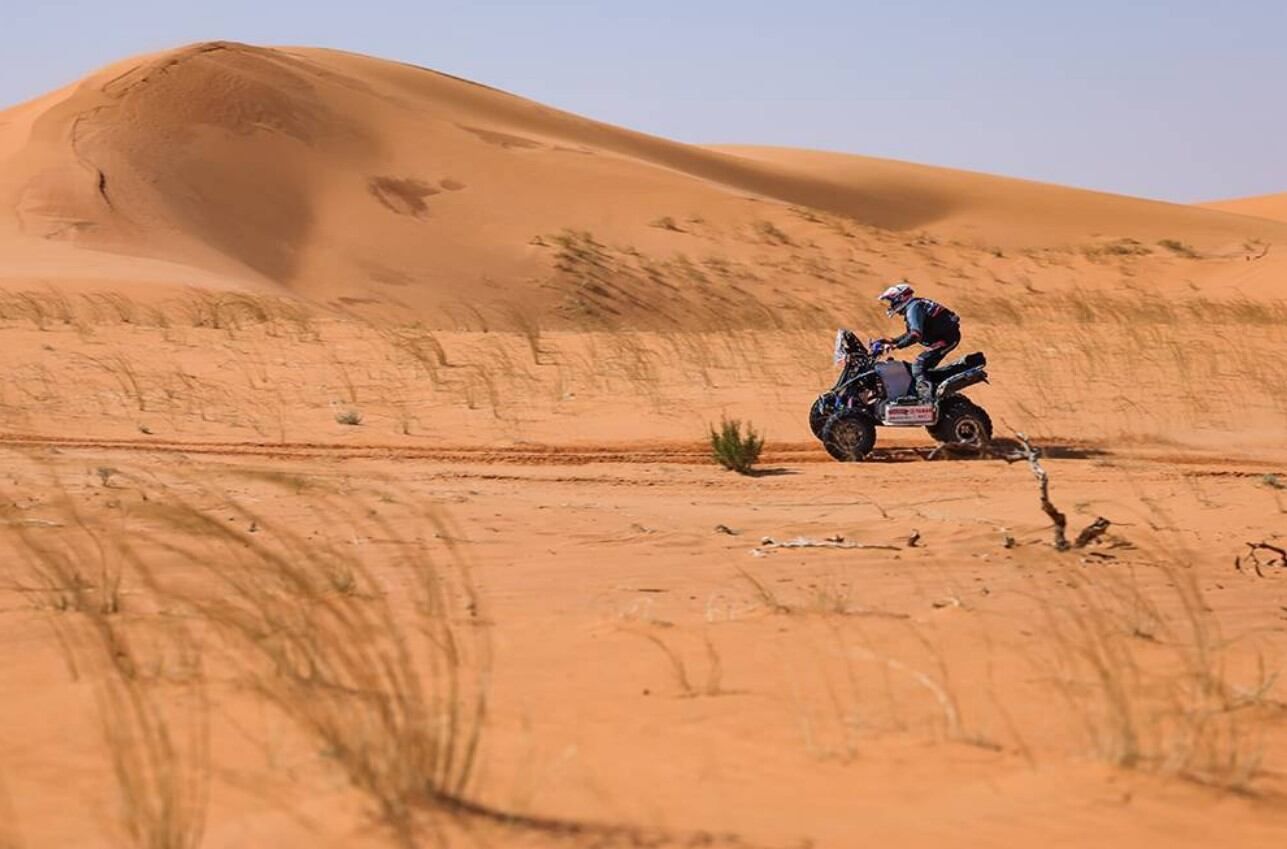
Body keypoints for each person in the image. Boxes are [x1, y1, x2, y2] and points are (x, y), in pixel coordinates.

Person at [873, 282, 961, 402]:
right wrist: (892, 340)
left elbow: (915, 335)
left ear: (900, 298)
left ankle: (926, 400)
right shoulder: (914, 305)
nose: (891, 305)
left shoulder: (913, 308)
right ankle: (926, 391)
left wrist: (895, 346)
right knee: (920, 368)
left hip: (946, 339)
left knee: (919, 365)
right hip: (943, 337)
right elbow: (911, 333)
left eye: (892, 301)